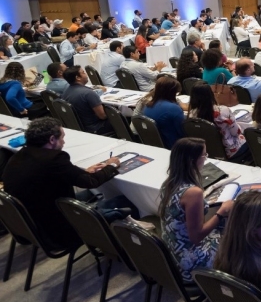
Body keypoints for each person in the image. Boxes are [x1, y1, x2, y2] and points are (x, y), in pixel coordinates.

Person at [2, 118, 128, 248]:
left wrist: (80, 172)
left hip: (30, 226)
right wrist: (111, 165)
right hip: (58, 230)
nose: (64, 142)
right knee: (122, 200)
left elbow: (54, 174)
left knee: (92, 195)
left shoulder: (20, 155)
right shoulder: (54, 158)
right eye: (62, 137)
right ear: (52, 140)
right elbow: (92, 181)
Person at [159, 137, 233, 283]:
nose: (206, 159)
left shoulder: (168, 183)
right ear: (193, 160)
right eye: (204, 155)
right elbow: (196, 236)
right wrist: (222, 211)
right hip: (191, 261)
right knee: (237, 236)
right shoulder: (193, 193)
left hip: (172, 251)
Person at [188, 83, 251, 163]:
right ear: (211, 94)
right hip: (230, 151)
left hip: (208, 150)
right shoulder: (223, 111)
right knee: (251, 138)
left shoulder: (191, 115)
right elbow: (235, 133)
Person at [61, 66, 114, 134]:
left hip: (78, 127)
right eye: (83, 73)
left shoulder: (66, 91)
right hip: (95, 128)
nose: (86, 74)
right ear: (78, 78)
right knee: (122, 119)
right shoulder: (88, 93)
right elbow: (102, 116)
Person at [142, 77, 187, 149]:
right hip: (174, 145)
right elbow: (183, 131)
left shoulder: (148, 105)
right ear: (171, 92)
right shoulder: (173, 108)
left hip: (156, 144)